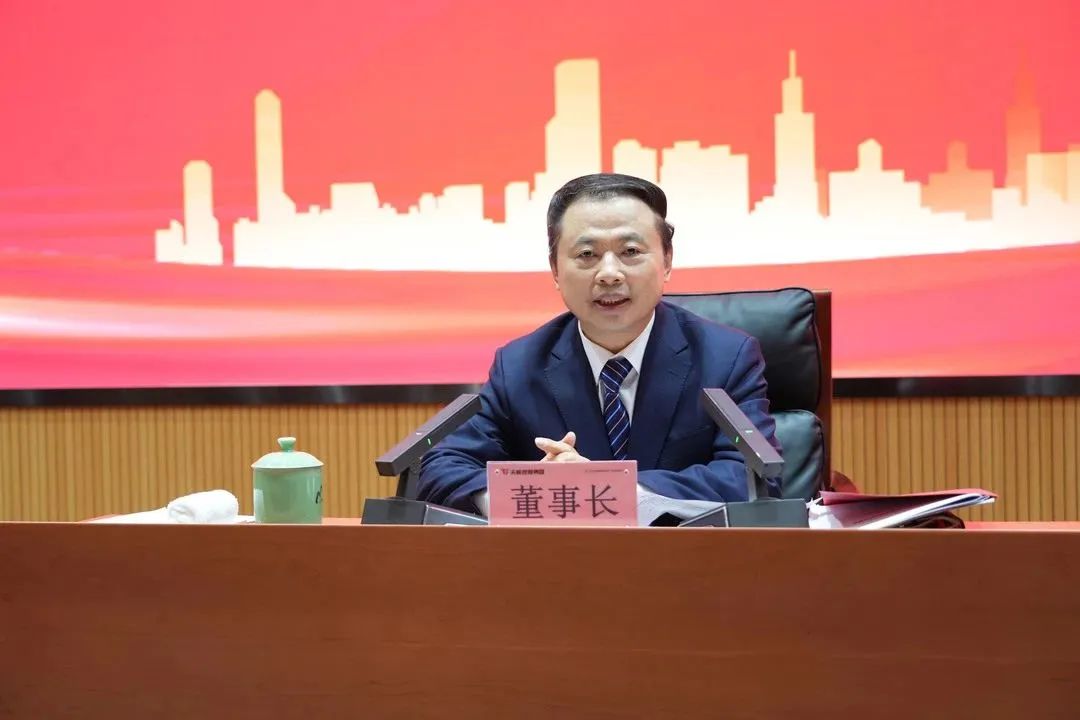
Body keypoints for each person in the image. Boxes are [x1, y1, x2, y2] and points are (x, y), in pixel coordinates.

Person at [417, 173, 781, 514]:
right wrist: (542, 491)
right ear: (555, 270)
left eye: (630, 251)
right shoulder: (519, 366)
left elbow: (754, 478)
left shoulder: (726, 358)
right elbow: (440, 469)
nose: (609, 274)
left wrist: (605, 490)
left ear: (667, 261)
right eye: (587, 255)